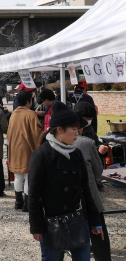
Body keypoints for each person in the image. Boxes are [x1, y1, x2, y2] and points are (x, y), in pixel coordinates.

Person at [28, 101, 103, 260]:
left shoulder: (76, 154)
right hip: (51, 223)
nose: (78, 133)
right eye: (74, 129)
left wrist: (95, 221)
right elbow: (33, 195)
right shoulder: (41, 155)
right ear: (60, 130)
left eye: (78, 129)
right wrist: (36, 226)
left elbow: (86, 190)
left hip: (77, 219)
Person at [74, 113, 111, 261]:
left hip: (68, 199)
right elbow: (98, 171)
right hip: (89, 195)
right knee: (99, 230)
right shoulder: (87, 143)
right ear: (81, 127)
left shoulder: (50, 145)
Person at [6, 90, 42, 211]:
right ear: (28, 101)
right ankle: (27, 204)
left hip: (15, 148)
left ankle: (18, 201)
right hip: (27, 148)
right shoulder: (31, 114)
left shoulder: (14, 114)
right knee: (28, 176)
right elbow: (37, 133)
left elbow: (9, 133)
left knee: (18, 176)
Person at [74, 101, 109, 191]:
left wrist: (101, 149)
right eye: (86, 119)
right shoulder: (71, 131)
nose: (89, 122)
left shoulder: (89, 129)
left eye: (91, 119)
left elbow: (96, 143)